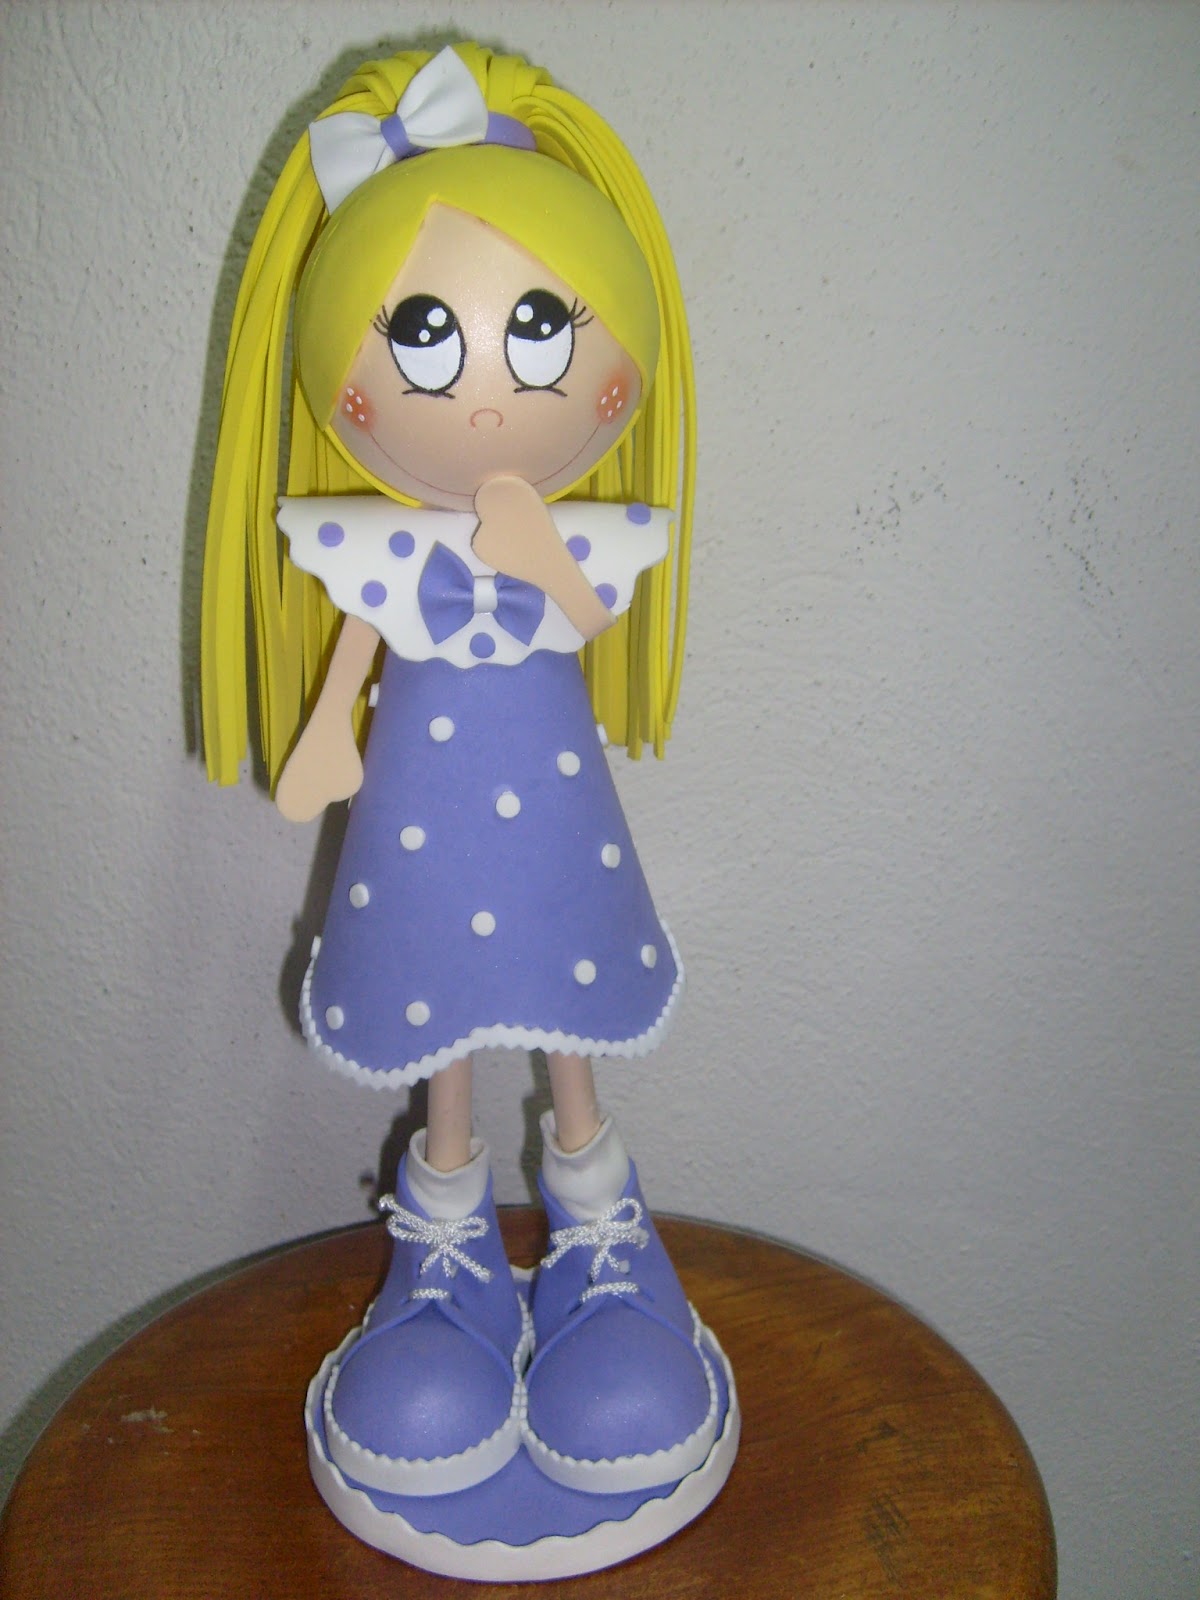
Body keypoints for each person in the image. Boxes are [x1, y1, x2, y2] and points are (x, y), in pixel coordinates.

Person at [202, 43, 727, 1516]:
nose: (490, 392)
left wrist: (536, 544)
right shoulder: (377, 553)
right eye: (424, 337)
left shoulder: (563, 535)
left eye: (542, 331)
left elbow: (591, 611)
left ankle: (598, 1219)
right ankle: (449, 1249)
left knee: (560, 991)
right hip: (422, 825)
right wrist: (325, 735)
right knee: (440, 988)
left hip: (552, 819)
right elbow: (357, 651)